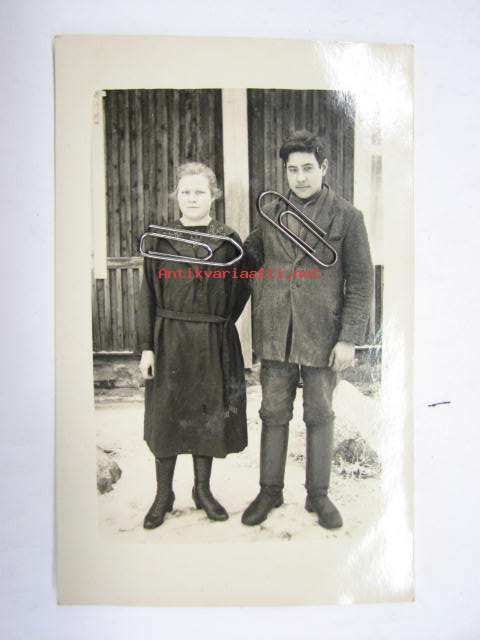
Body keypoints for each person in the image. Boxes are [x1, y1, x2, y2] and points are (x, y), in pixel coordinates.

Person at [242, 130, 373, 529]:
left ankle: (318, 495)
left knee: (319, 413)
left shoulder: (348, 216)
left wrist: (348, 338)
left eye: (307, 168)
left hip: (323, 334)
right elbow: (248, 260)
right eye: (292, 170)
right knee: (273, 411)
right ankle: (270, 491)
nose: (299, 177)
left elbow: (361, 281)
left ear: (324, 168)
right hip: (277, 332)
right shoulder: (271, 213)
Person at [137, 162, 250, 529]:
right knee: (166, 416)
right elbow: (147, 295)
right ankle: (163, 494)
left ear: (213, 196)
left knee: (207, 414)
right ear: (176, 195)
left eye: (200, 191)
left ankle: (202, 491)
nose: (192, 198)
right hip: (168, 339)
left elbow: (240, 288)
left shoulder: (228, 241)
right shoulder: (159, 239)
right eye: (185, 191)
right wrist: (147, 347)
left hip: (212, 339)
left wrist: (218, 323)